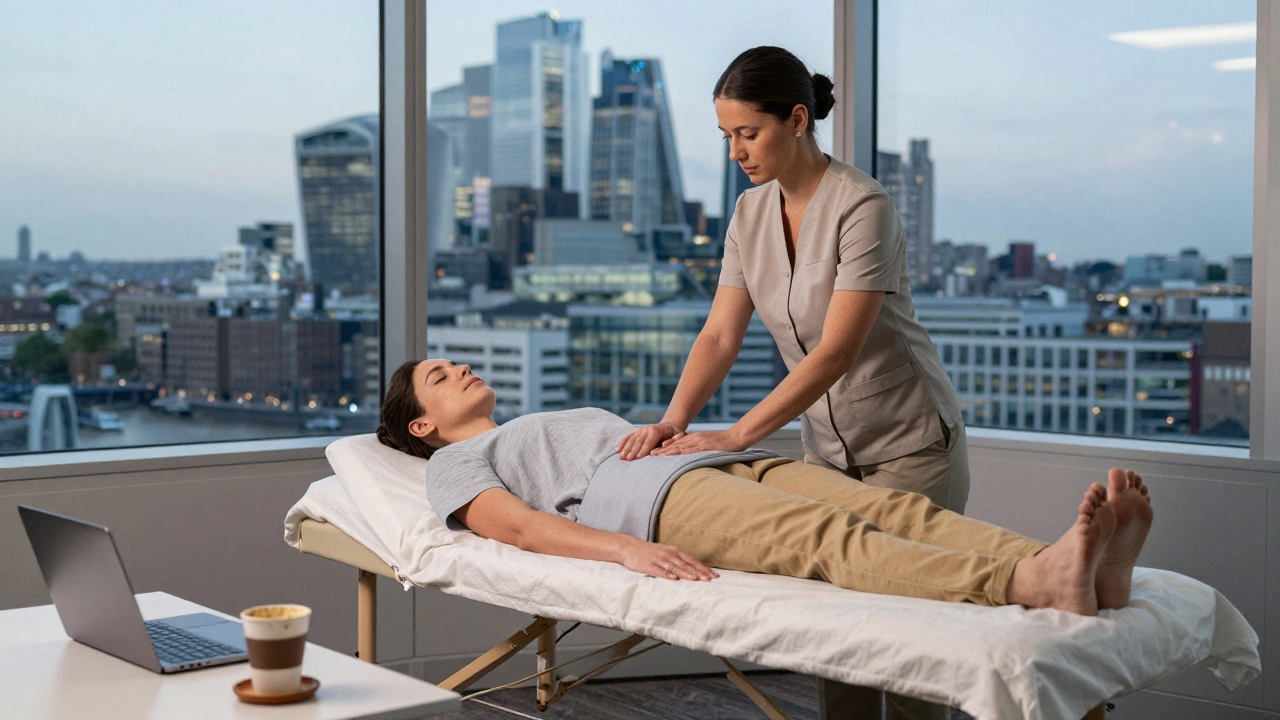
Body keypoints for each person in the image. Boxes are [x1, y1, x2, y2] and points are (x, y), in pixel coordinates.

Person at [613, 46, 971, 719]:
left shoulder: (863, 205)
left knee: (920, 653)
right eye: (727, 137)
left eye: (749, 133)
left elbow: (836, 351)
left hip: (912, 448)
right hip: (830, 457)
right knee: (843, 645)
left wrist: (740, 434)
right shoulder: (749, 215)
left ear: (798, 119)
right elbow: (721, 334)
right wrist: (676, 419)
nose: (736, 153)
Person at [377, 359, 1154, 625]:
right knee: (835, 544)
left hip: (700, 462)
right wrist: (627, 551)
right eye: (438, 378)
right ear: (419, 428)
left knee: (891, 508)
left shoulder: (524, 424)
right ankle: (1023, 583)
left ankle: (1073, 566)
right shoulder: (455, 463)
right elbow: (513, 530)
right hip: (653, 502)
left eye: (454, 362)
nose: (461, 369)